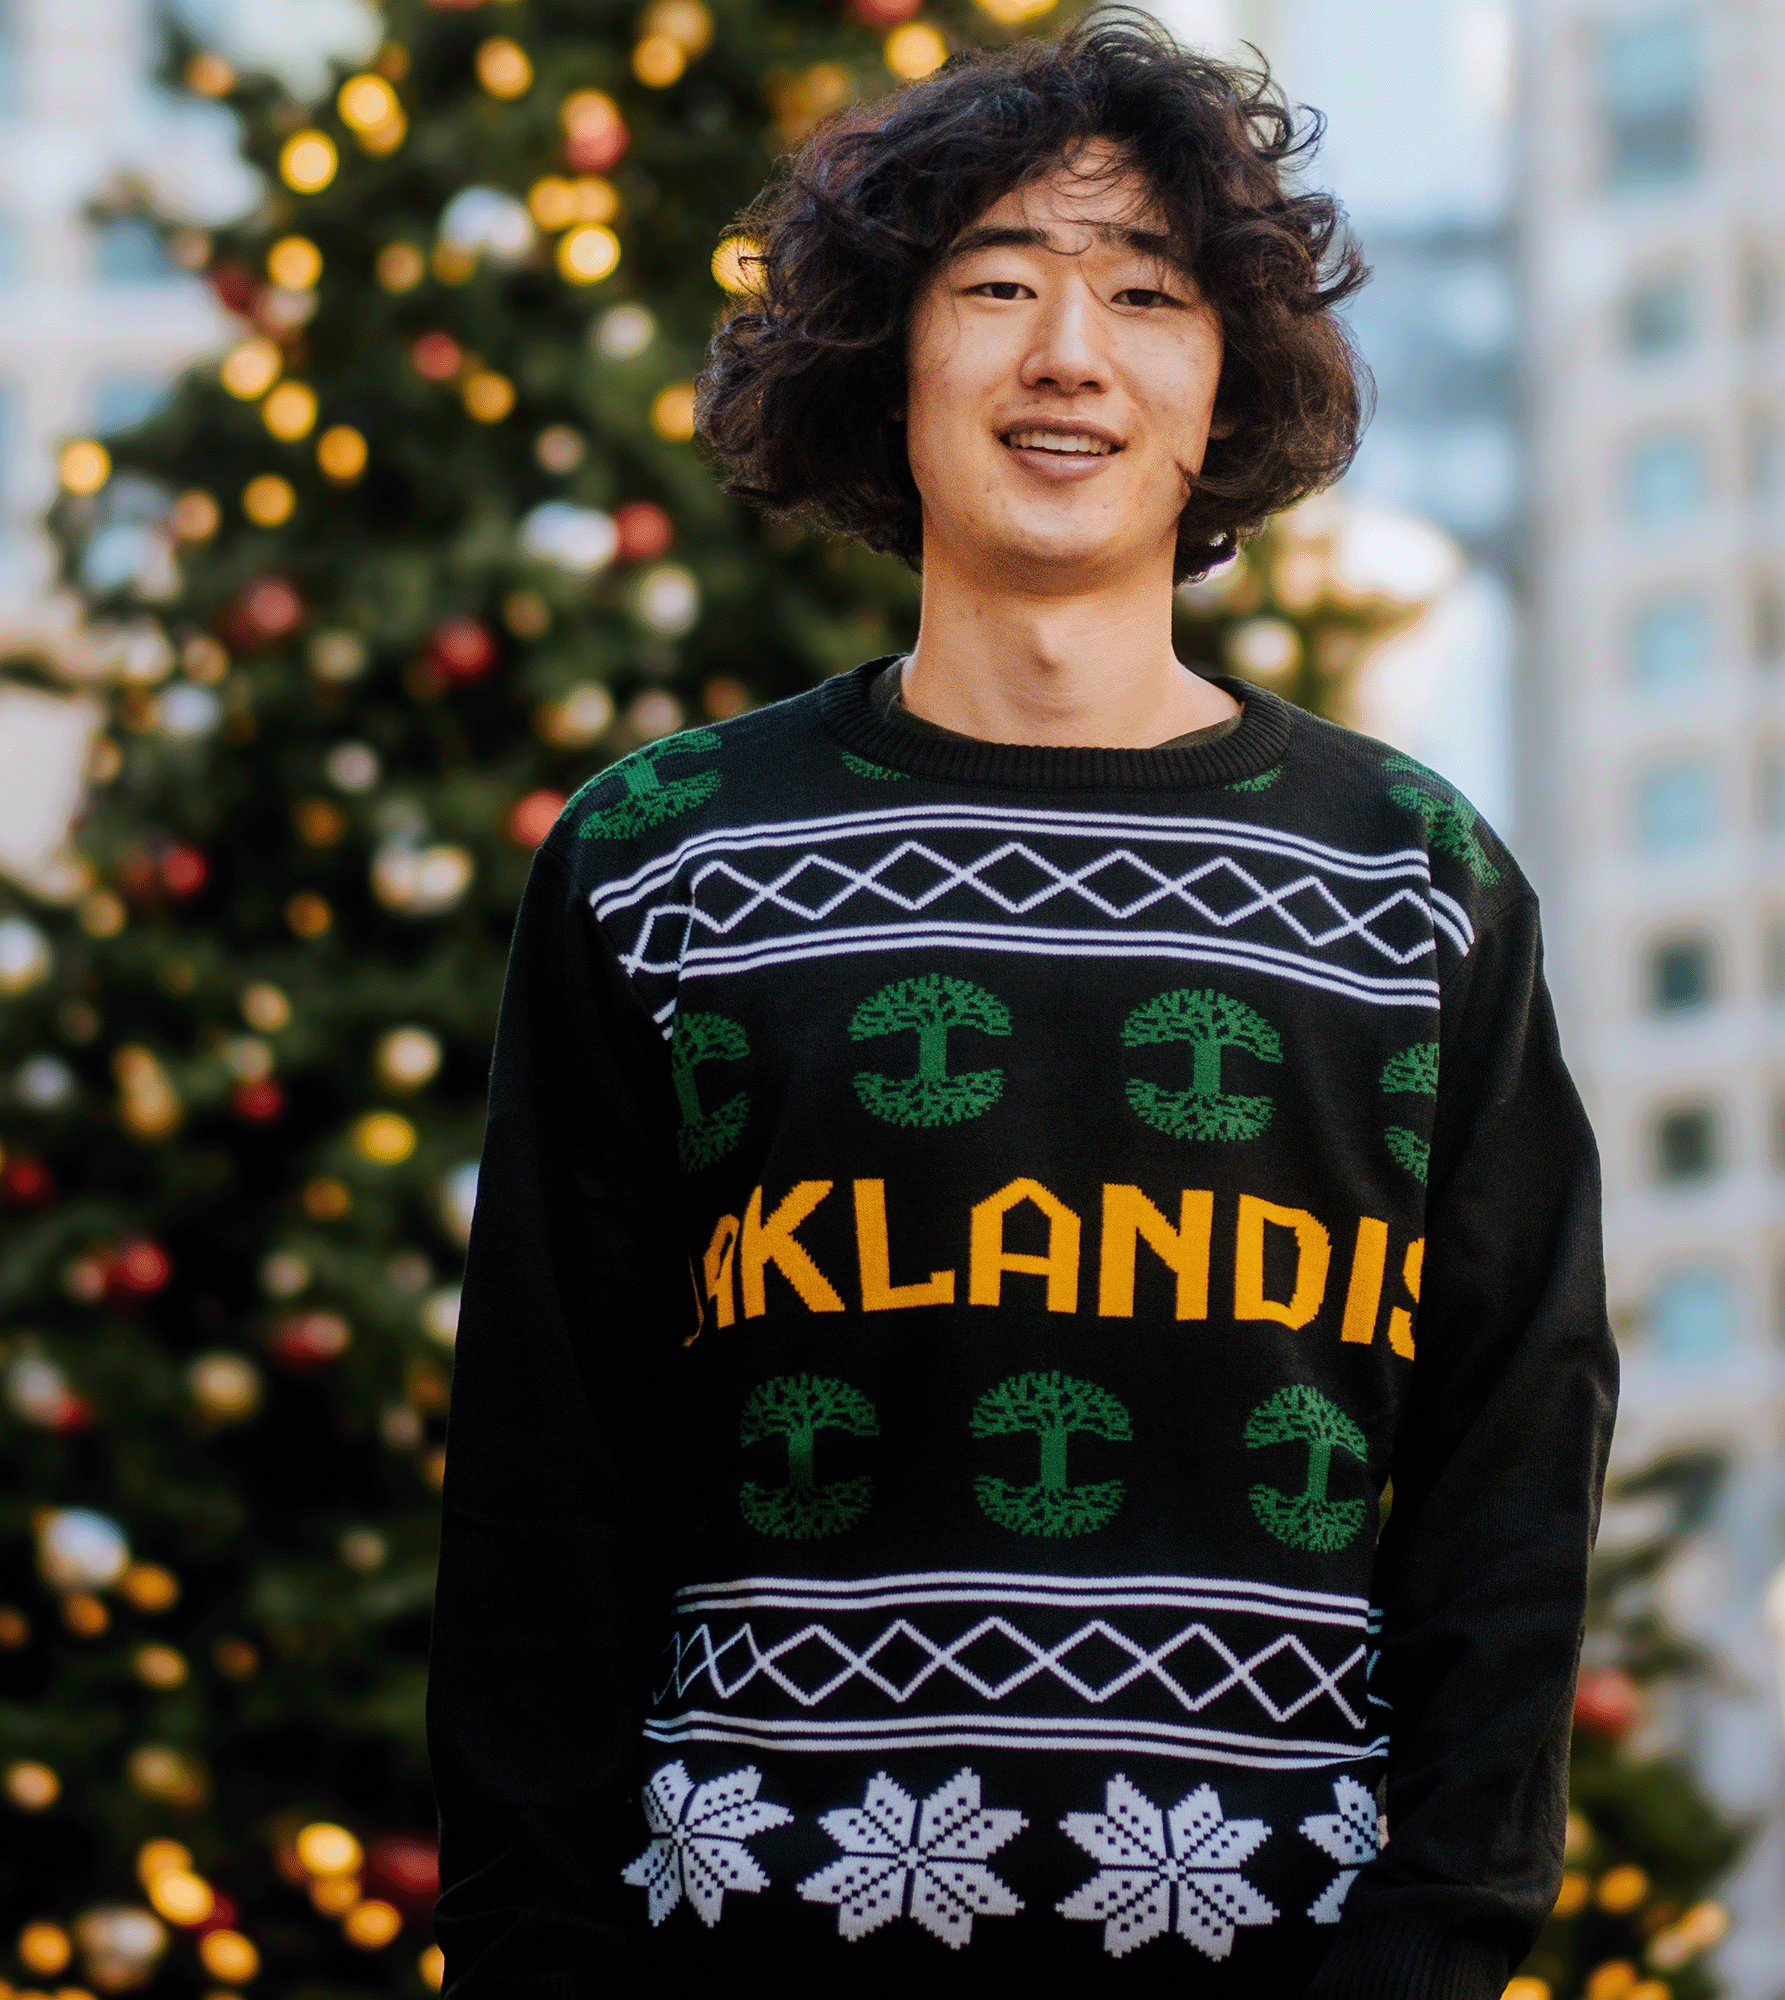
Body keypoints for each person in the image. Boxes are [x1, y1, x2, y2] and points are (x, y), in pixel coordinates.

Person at [428, 13, 1616, 1995]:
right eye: (995, 285)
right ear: (888, 361)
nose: (1068, 353)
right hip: (751, 1945)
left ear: (1221, 373)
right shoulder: (659, 861)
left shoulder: (1416, 883)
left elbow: (1514, 1465)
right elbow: (543, 1473)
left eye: (1145, 293)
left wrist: (1429, 1950)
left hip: (1287, 1957)